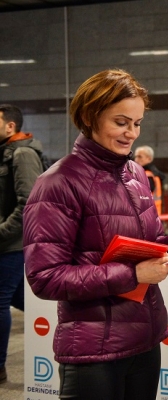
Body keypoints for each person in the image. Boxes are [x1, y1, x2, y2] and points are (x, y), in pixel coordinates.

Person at [22, 69, 168, 399]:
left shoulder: (134, 173)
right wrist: (133, 274)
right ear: (90, 117)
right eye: (121, 122)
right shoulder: (58, 183)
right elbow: (45, 277)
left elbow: (141, 241)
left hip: (145, 339)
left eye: (137, 123)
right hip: (93, 352)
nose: (131, 134)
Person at [0, 104, 46, 383]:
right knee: (19, 297)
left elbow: (28, 204)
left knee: (0, 300)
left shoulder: (23, 154)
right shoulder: (5, 154)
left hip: (13, 243)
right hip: (7, 241)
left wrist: (2, 232)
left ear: (10, 126)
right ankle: (64, 318)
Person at [134, 145, 166, 215]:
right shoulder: (155, 174)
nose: (136, 159)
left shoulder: (147, 175)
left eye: (140, 157)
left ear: (149, 159)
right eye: (136, 156)